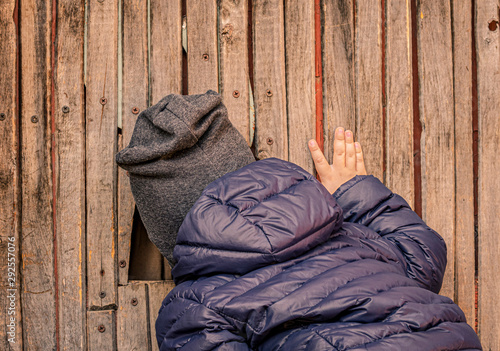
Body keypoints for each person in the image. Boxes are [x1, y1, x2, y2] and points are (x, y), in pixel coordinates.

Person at [116, 90, 482, 350]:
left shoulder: (194, 308)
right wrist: (355, 193)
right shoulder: (352, 236)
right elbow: (424, 254)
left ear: (165, 231)